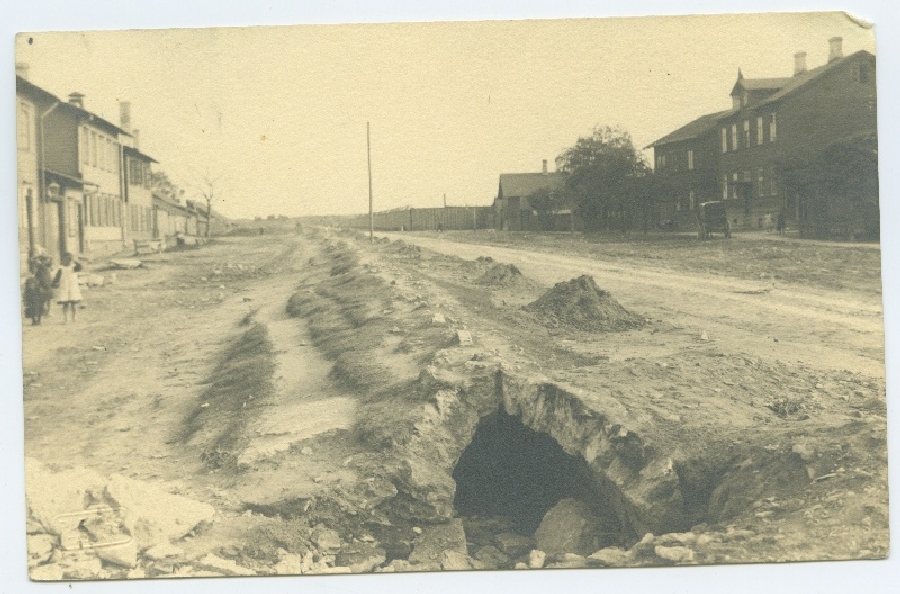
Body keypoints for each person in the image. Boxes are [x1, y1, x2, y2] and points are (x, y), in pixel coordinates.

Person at [53, 252, 83, 323]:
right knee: (65, 304)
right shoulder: (61, 268)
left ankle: (74, 317)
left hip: (72, 287)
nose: (67, 261)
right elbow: (57, 277)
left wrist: (75, 260)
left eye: (68, 259)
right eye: (65, 259)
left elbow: (80, 267)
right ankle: (65, 319)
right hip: (64, 287)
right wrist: (54, 283)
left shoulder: (73, 267)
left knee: (74, 303)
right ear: (63, 260)